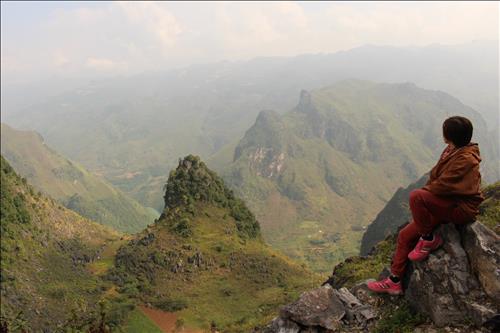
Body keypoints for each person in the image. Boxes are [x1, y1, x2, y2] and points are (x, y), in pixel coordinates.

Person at [367, 116, 484, 295]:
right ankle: (395, 281)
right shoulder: (452, 150)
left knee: (416, 196)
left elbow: (444, 184)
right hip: (445, 205)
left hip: (460, 208)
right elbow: (436, 177)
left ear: (449, 135)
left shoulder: (466, 158)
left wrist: (426, 196)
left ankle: (428, 238)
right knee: (405, 235)